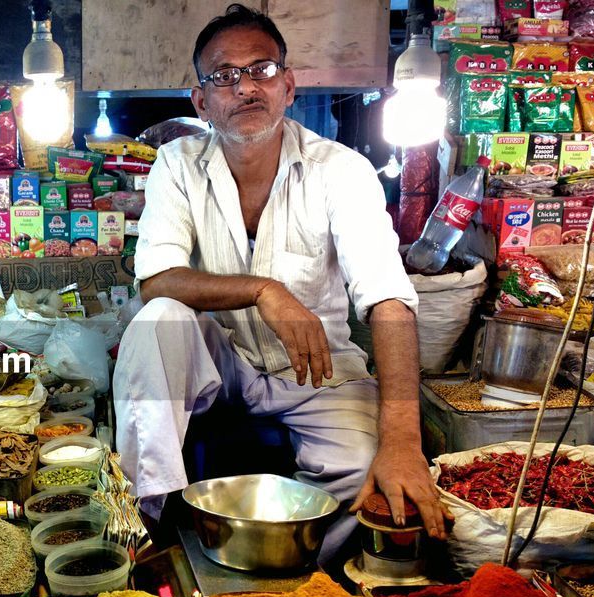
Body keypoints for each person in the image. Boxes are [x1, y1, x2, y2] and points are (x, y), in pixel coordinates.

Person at [113, 4, 449, 563]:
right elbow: (157, 281)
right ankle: (147, 527)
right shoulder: (175, 162)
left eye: (261, 70)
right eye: (224, 76)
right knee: (158, 321)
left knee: (368, 472)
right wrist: (264, 290)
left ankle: (304, 588)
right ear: (202, 101)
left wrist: (404, 441)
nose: (245, 87)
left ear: (288, 86)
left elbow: (389, 301)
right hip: (219, 363)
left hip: (318, 372)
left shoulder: (339, 169)